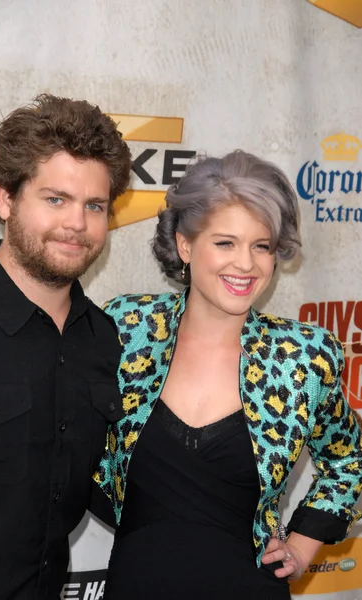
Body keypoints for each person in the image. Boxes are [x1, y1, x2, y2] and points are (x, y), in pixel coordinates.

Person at [94, 150, 362, 599]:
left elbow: (347, 461)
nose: (245, 264)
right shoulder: (127, 328)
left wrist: (301, 545)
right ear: (184, 244)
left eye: (261, 246)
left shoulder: (304, 355)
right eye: (225, 243)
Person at [0, 94, 131, 599]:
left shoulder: (104, 339)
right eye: (55, 199)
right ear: (6, 199)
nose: (77, 224)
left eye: (94, 206)